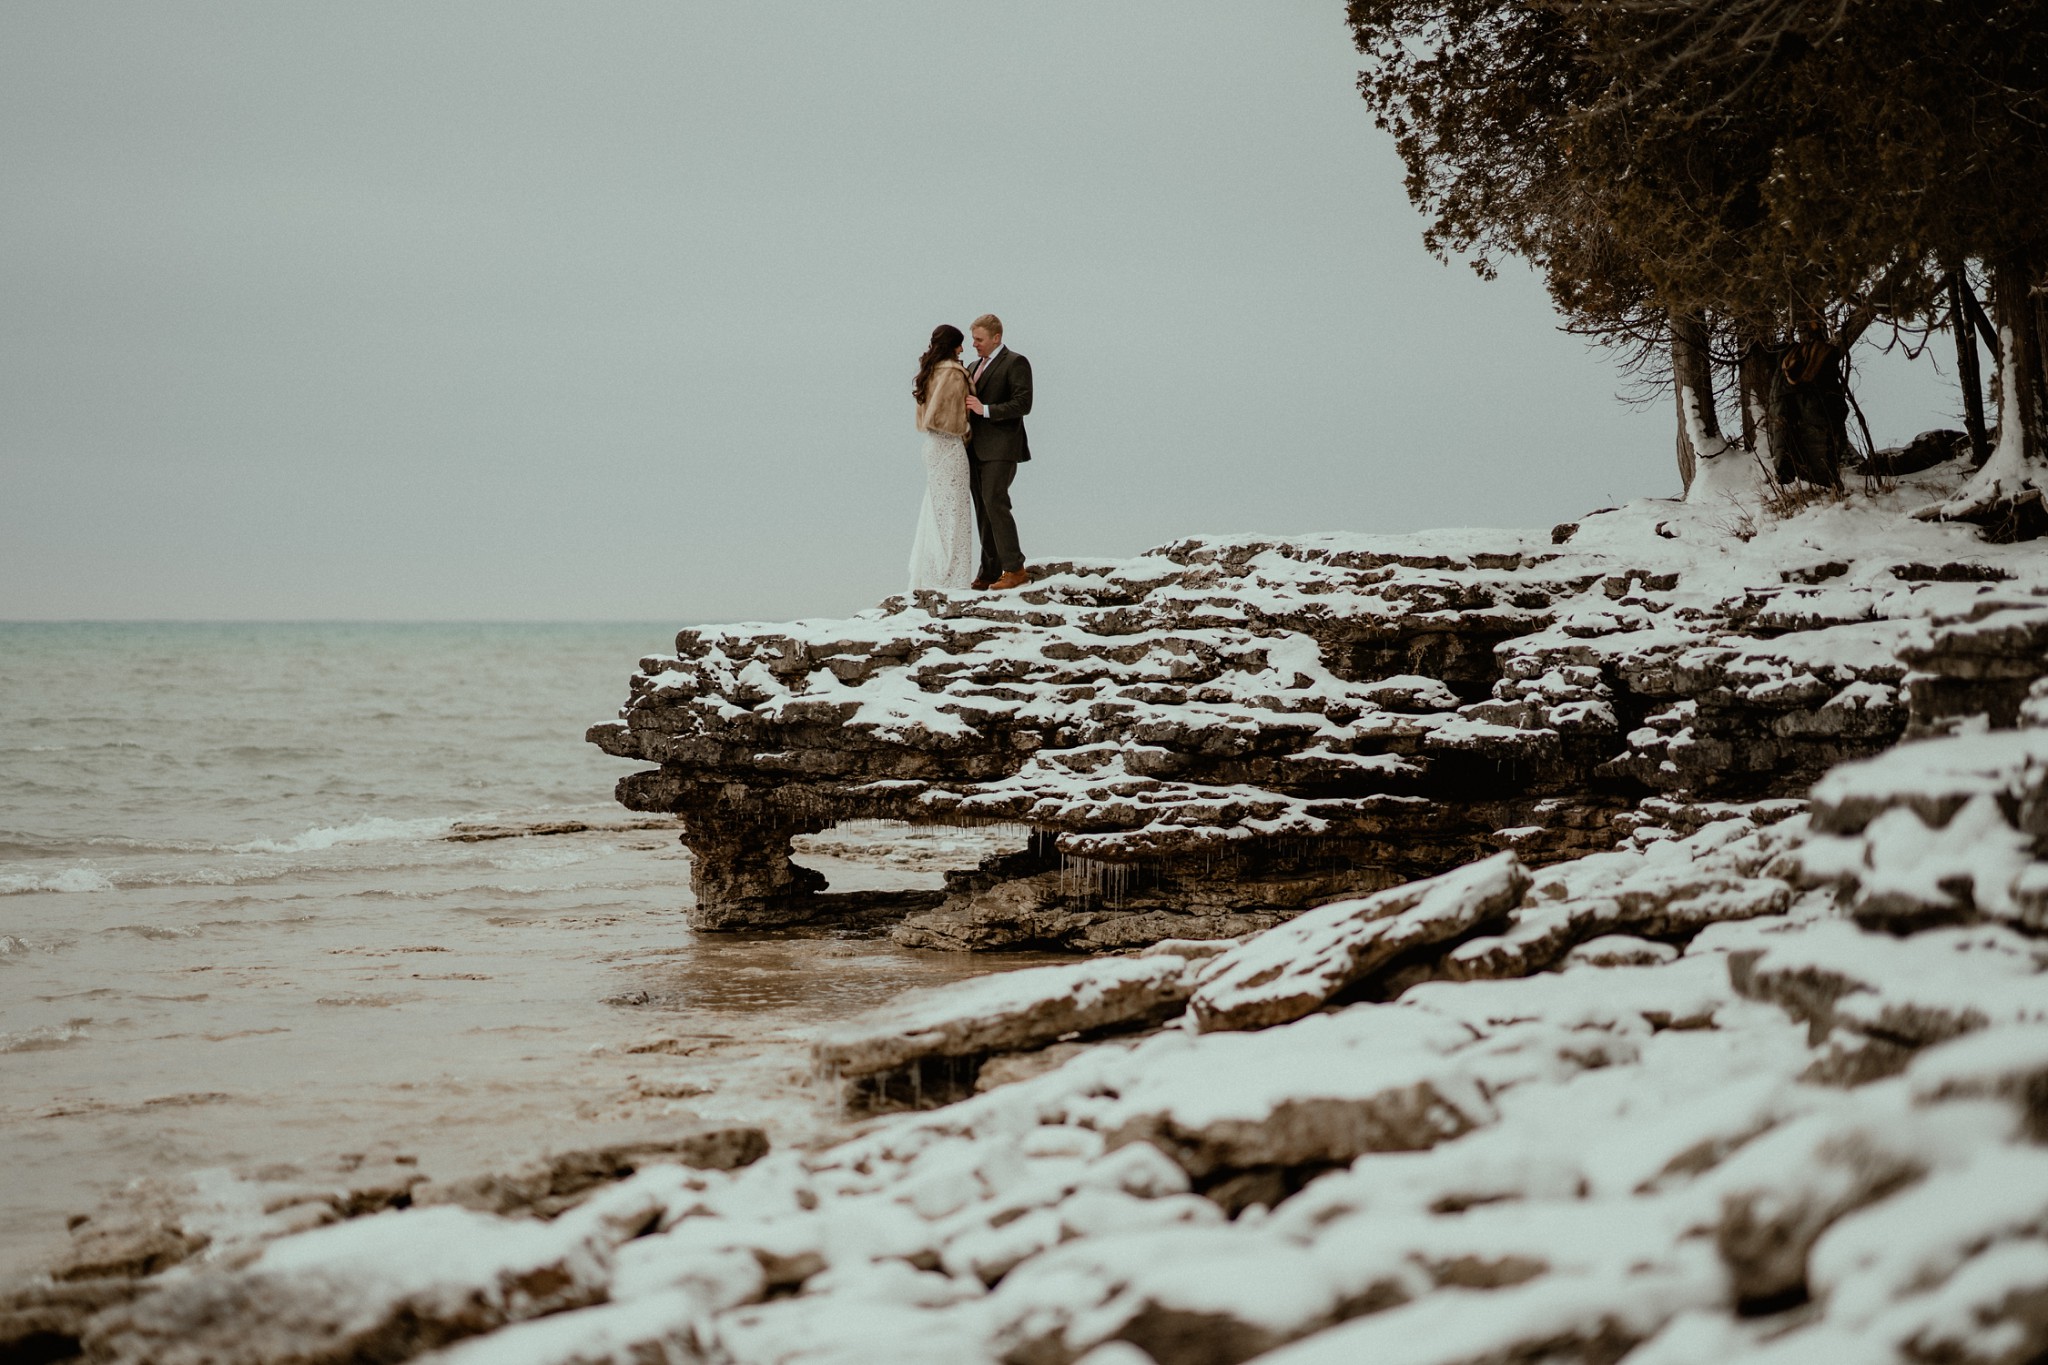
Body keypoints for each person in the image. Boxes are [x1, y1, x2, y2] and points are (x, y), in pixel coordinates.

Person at [963, 313, 1032, 590]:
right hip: (974, 449)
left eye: (979, 340)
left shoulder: (1015, 362)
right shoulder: (972, 365)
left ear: (996, 338)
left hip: (1002, 447)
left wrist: (986, 410)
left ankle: (1014, 568)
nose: (974, 345)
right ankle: (989, 571)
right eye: (973, 339)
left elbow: (1023, 403)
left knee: (995, 501)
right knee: (983, 508)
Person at [907, 324, 976, 592]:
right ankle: (950, 575)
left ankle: (935, 572)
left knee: (937, 509)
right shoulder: (953, 374)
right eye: (959, 344)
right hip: (949, 445)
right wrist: (967, 425)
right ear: (951, 346)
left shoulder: (929, 372)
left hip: (931, 447)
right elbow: (945, 416)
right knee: (954, 511)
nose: (962, 349)